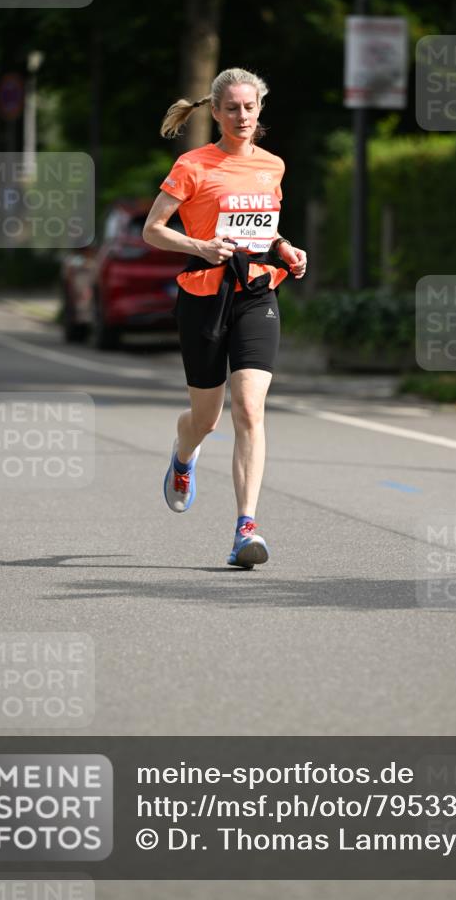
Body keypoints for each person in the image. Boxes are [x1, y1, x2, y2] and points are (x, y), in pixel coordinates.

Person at [142, 68, 307, 568]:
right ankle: (184, 454)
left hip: (257, 292)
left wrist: (285, 247)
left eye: (250, 107)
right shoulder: (194, 165)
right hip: (204, 297)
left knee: (249, 409)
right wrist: (200, 245)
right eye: (231, 108)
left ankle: (246, 528)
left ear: (260, 110)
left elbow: (267, 229)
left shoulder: (273, 166)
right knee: (206, 419)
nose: (242, 116)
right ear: (215, 112)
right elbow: (153, 230)